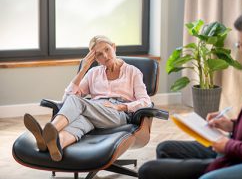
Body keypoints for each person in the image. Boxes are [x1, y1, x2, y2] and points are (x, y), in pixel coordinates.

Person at [138, 6, 242, 179]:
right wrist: (231, 125)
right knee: (165, 148)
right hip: (235, 144)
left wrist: (228, 146)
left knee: (147, 170)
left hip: (237, 159)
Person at [23, 35, 152, 161]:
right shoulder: (93, 73)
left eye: (107, 49)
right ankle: (56, 145)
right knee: (80, 121)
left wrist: (121, 106)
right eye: (99, 54)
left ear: (114, 47)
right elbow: (66, 100)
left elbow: (146, 101)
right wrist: (83, 70)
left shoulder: (132, 72)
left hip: (117, 114)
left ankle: (49, 131)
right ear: (95, 58)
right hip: (94, 112)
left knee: (77, 102)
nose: (105, 56)